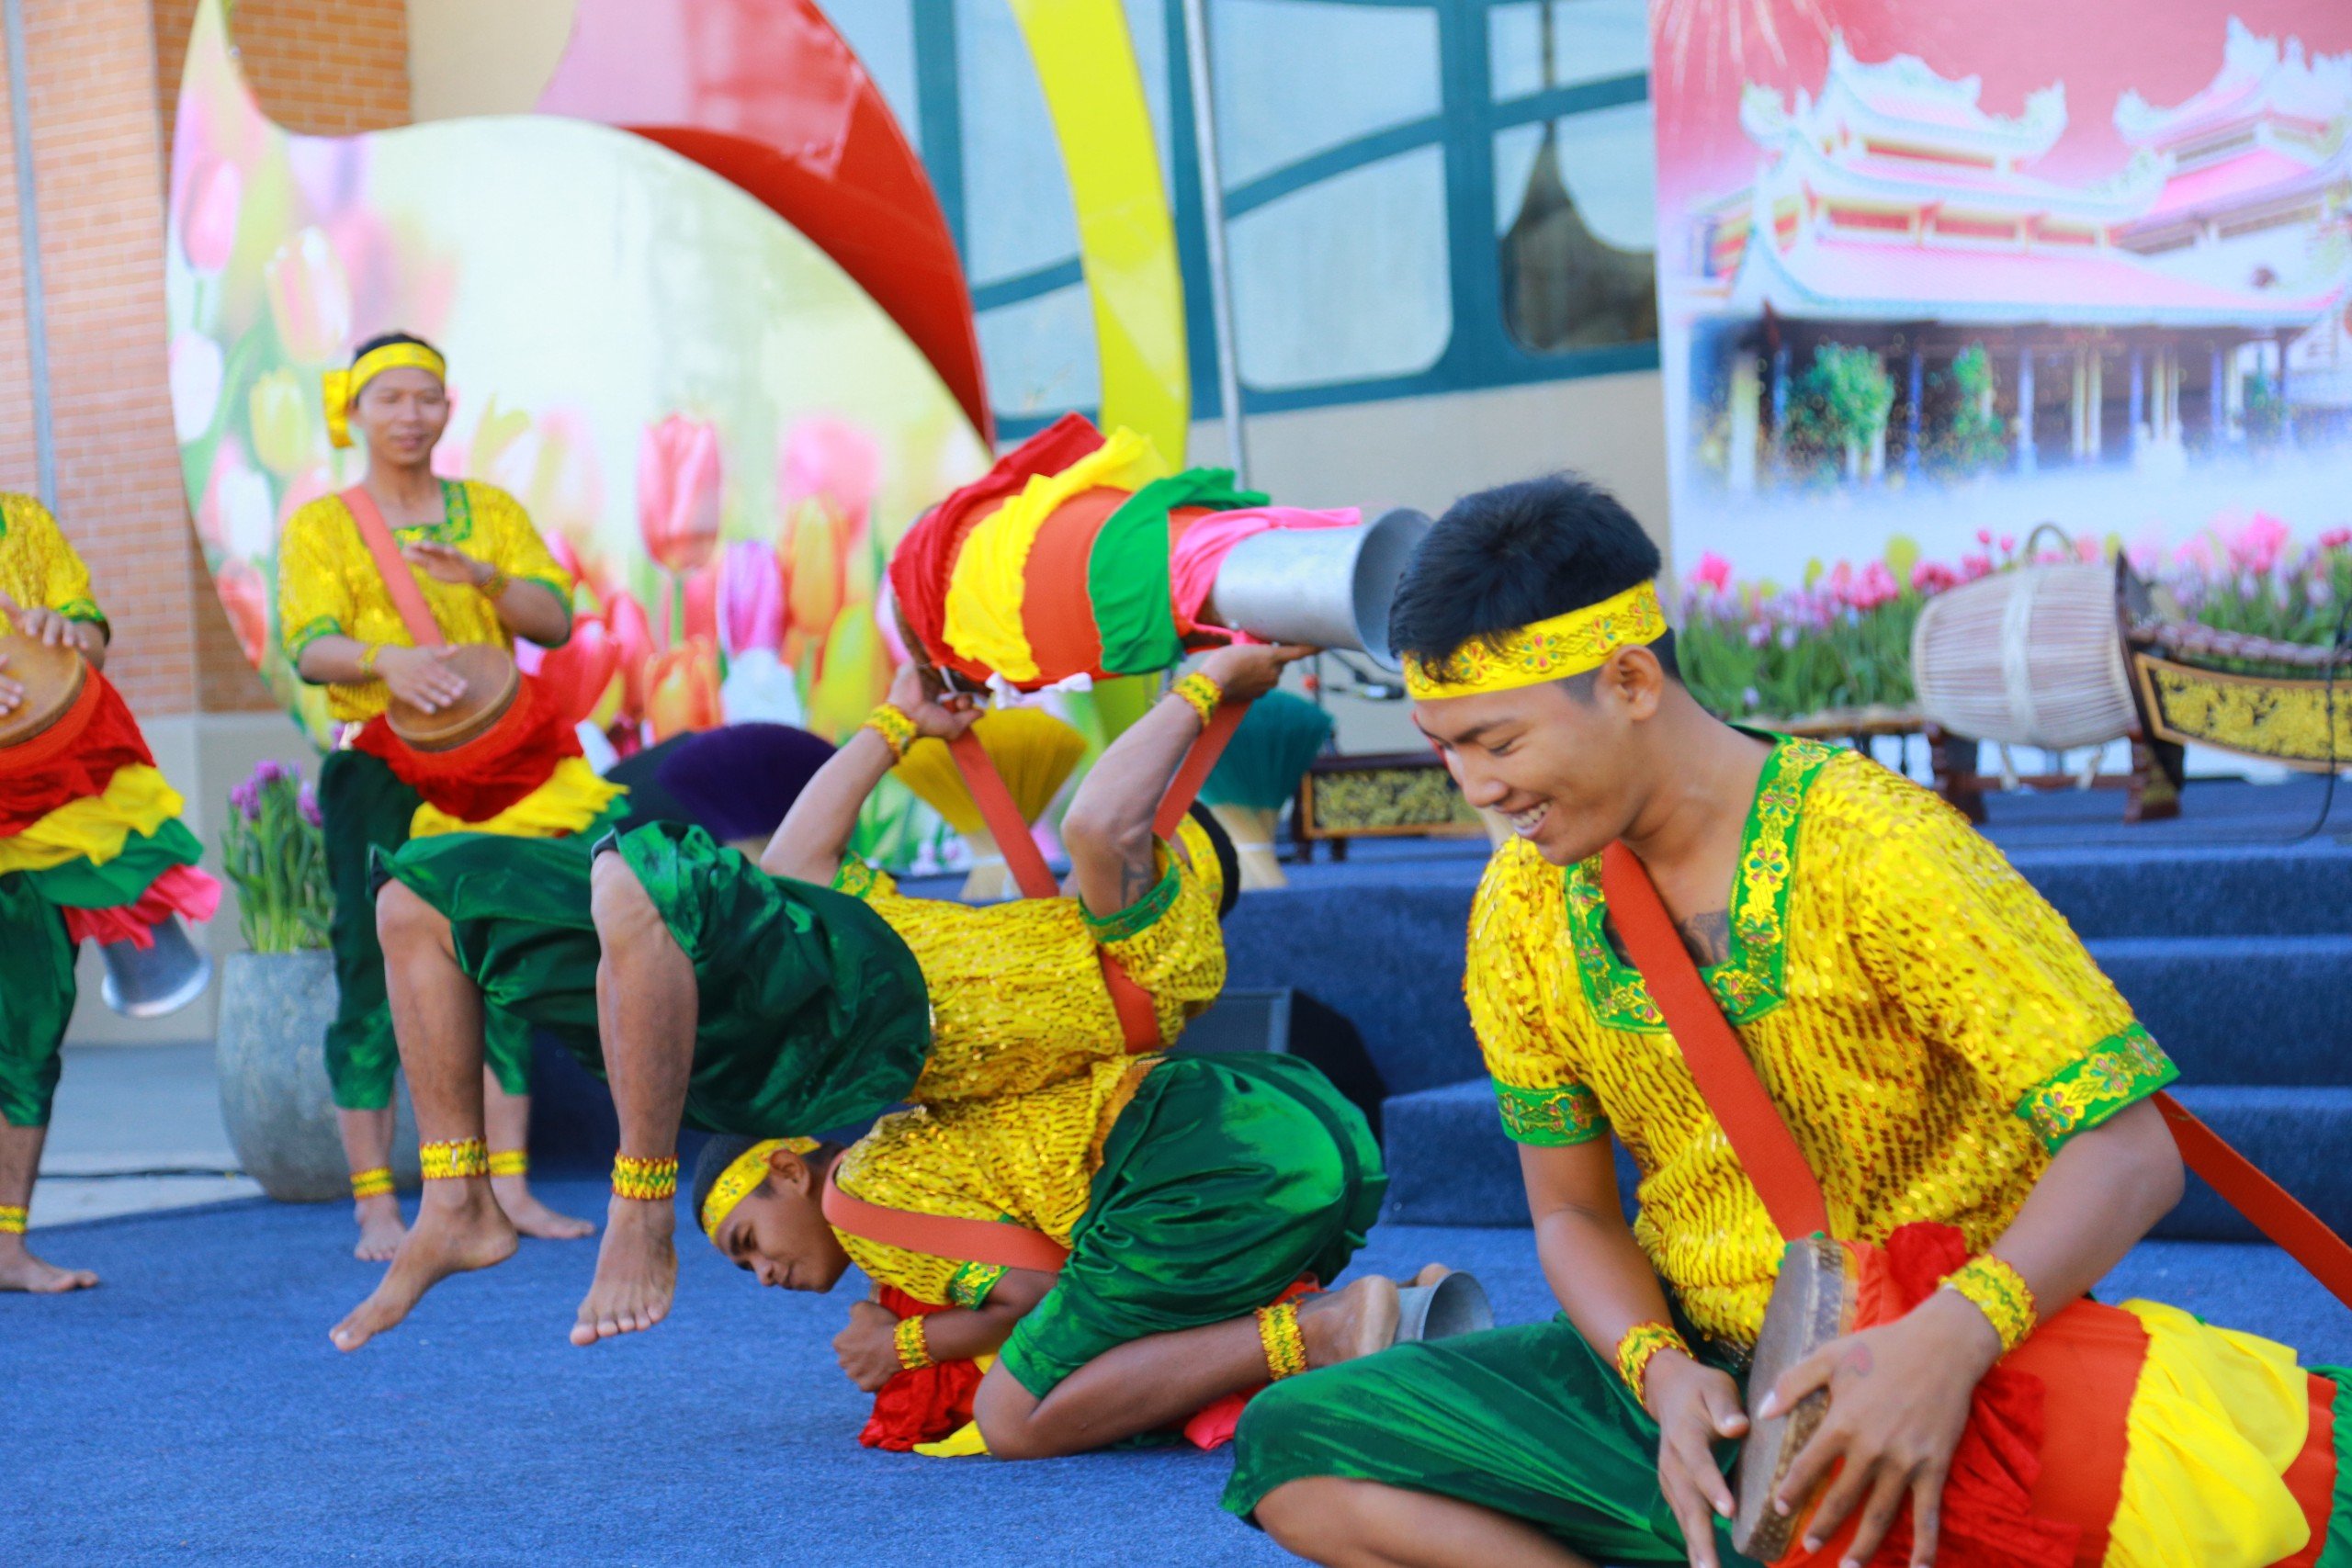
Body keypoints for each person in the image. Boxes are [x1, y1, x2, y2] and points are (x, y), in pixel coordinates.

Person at [1224, 475, 2351, 1568]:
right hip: (1702, 1385)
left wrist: (1948, 1343)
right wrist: (1659, 1374)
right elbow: (1568, 1213)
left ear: (1626, 682)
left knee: (2268, 1505)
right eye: (1446, 747)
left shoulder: (1877, 850)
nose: (1473, 787)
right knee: (1297, 1445)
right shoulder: (1520, 908)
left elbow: (2128, 1148)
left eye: (1500, 743)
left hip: (1935, 1354)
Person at [329, 640, 1354, 1363]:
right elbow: (799, 862)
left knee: (638, 882)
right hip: (770, 1004)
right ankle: (458, 1198)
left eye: (1160, 855)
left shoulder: (1160, 966)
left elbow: (1104, 822)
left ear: (1183, 883)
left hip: (856, 1028)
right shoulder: (1010, 921)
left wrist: (1207, 686)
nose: (1135, 857)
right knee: (417, 892)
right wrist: (894, 721)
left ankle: (638, 1209)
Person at [279, 331, 613, 1259]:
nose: (410, 415)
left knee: (502, 954)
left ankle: (505, 1190)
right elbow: (307, 648)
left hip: (500, 767)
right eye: (390, 398)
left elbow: (553, 619)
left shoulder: (488, 511)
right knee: (370, 968)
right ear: (355, 411)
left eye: (425, 397)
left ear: (447, 408)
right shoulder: (323, 525)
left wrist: (488, 581)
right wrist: (390, 659)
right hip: (379, 765)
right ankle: (378, 1206)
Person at [0, 493, 218, 1292]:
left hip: (42, 810)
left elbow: (87, 632)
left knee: (29, 1023)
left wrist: (69, 636)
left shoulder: (19, 521)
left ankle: (6, 1244)